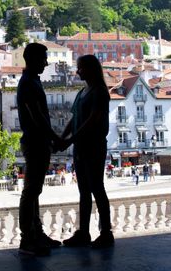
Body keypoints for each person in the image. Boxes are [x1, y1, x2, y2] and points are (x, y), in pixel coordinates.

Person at [60, 54, 114, 249]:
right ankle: (84, 232)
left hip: (94, 146)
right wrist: (64, 138)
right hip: (81, 147)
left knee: (97, 188)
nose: (77, 71)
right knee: (84, 190)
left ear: (90, 69)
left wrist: (69, 140)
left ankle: (106, 233)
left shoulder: (99, 92)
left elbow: (93, 120)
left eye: (80, 67)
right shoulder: (83, 92)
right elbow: (73, 120)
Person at [17, 42, 64, 256]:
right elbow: (37, 116)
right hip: (35, 142)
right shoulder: (28, 83)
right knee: (31, 191)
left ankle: (36, 233)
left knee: (34, 191)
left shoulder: (31, 81)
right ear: (34, 59)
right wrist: (54, 137)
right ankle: (28, 239)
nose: (46, 63)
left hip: (38, 141)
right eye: (43, 59)